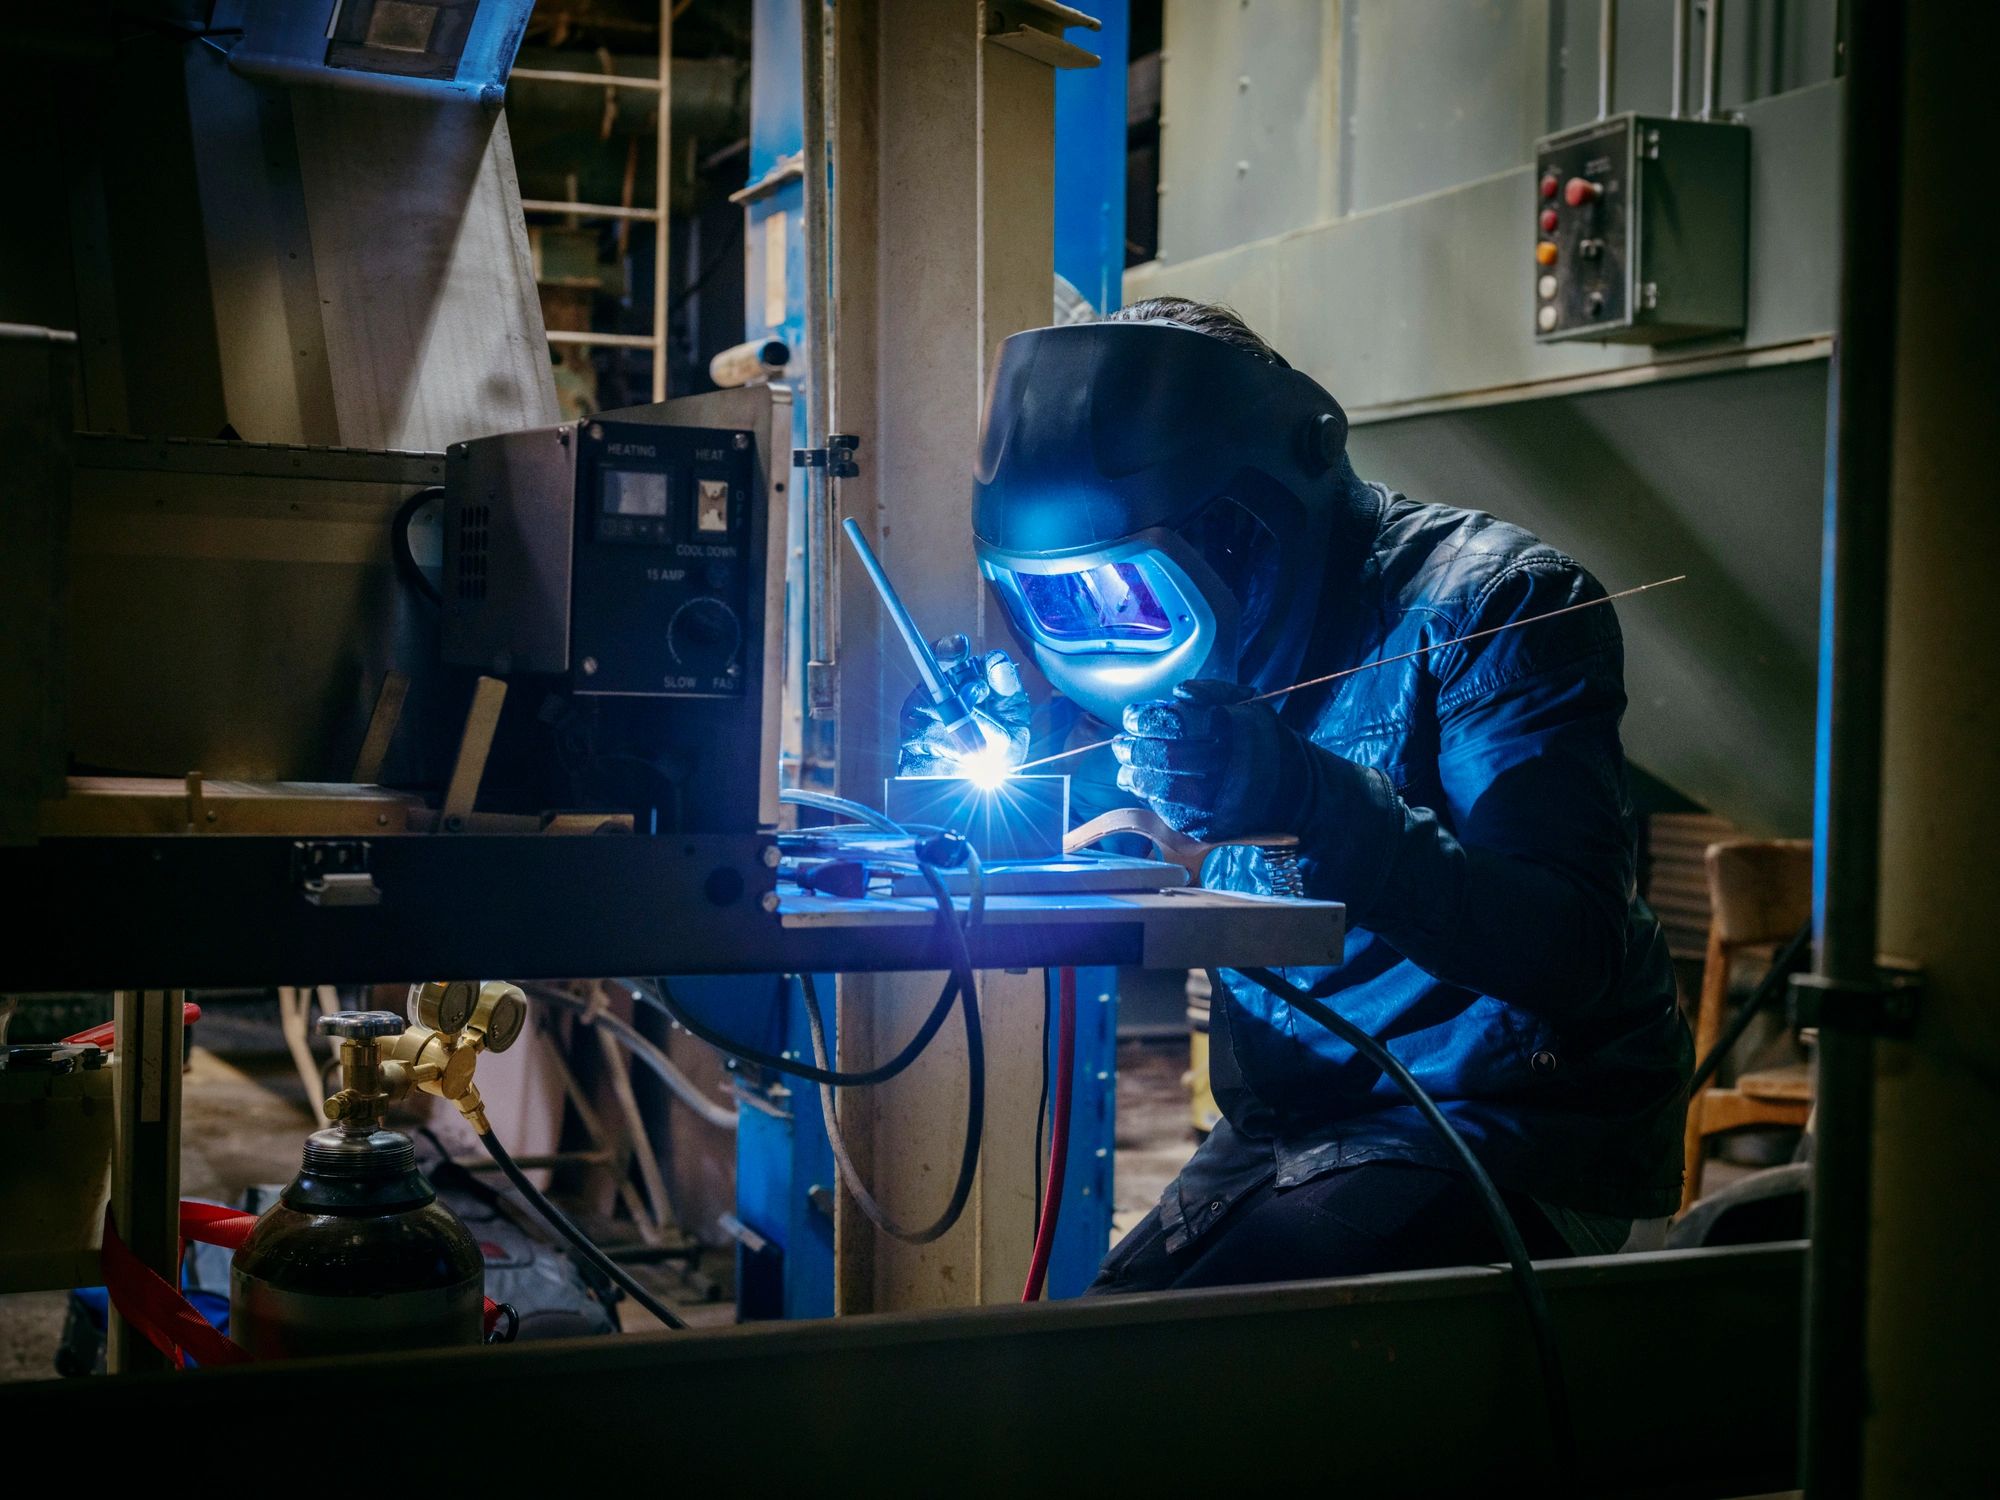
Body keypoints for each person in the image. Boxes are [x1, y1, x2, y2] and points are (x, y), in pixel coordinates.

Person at [900, 297, 1692, 1291]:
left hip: (1494, 1115)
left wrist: (1307, 800)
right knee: (1088, 1353)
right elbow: (1091, 829)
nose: (1112, 626)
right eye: (1067, 597)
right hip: (1296, 1113)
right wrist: (1004, 756)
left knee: (1208, 1381)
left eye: (1133, 587)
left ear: (1246, 522)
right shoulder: (1188, 629)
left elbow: (1569, 949)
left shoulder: (1495, 604)